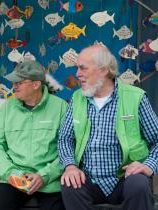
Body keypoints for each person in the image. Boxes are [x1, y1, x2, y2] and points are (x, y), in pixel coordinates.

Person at [58, 44, 158, 210]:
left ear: (103, 70)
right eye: (77, 68)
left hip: (125, 177)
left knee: (139, 184)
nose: (77, 74)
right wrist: (70, 166)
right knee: (69, 184)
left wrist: (148, 165)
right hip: (89, 179)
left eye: (82, 68)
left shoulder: (135, 97)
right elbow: (65, 139)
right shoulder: (77, 99)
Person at [0, 60, 67, 210]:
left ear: (36, 84)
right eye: (13, 82)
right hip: (14, 178)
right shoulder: (6, 109)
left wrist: (45, 175)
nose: (14, 86)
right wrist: (11, 173)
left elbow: (69, 146)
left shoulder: (61, 107)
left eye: (19, 82)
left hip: (49, 181)